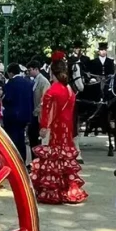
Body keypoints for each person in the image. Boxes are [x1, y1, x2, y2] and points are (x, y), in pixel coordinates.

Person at [29, 58, 87, 206]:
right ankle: (67, 190)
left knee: (51, 160)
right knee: (64, 161)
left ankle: (52, 192)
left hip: (53, 129)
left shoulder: (52, 90)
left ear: (51, 72)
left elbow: (46, 110)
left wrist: (43, 127)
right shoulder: (69, 90)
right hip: (66, 130)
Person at [2, 63, 33, 161]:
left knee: (12, 139)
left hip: (12, 116)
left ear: (10, 73)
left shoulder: (10, 83)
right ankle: (22, 160)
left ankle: (14, 160)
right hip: (24, 115)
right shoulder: (28, 83)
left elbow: (8, 99)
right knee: (21, 139)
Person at [27, 59, 49, 158]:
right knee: (33, 139)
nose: (29, 72)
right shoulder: (34, 80)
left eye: (30, 70)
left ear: (36, 69)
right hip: (34, 114)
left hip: (39, 115)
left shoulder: (44, 81)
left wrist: (36, 110)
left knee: (37, 139)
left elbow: (45, 100)